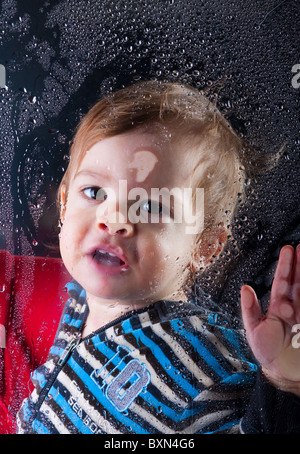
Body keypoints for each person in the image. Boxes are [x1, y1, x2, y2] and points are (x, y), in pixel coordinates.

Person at [16, 80, 300, 434]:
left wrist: (282, 384)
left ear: (205, 246)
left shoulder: (202, 358)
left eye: (150, 207)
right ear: (63, 203)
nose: (115, 219)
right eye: (94, 191)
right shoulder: (79, 301)